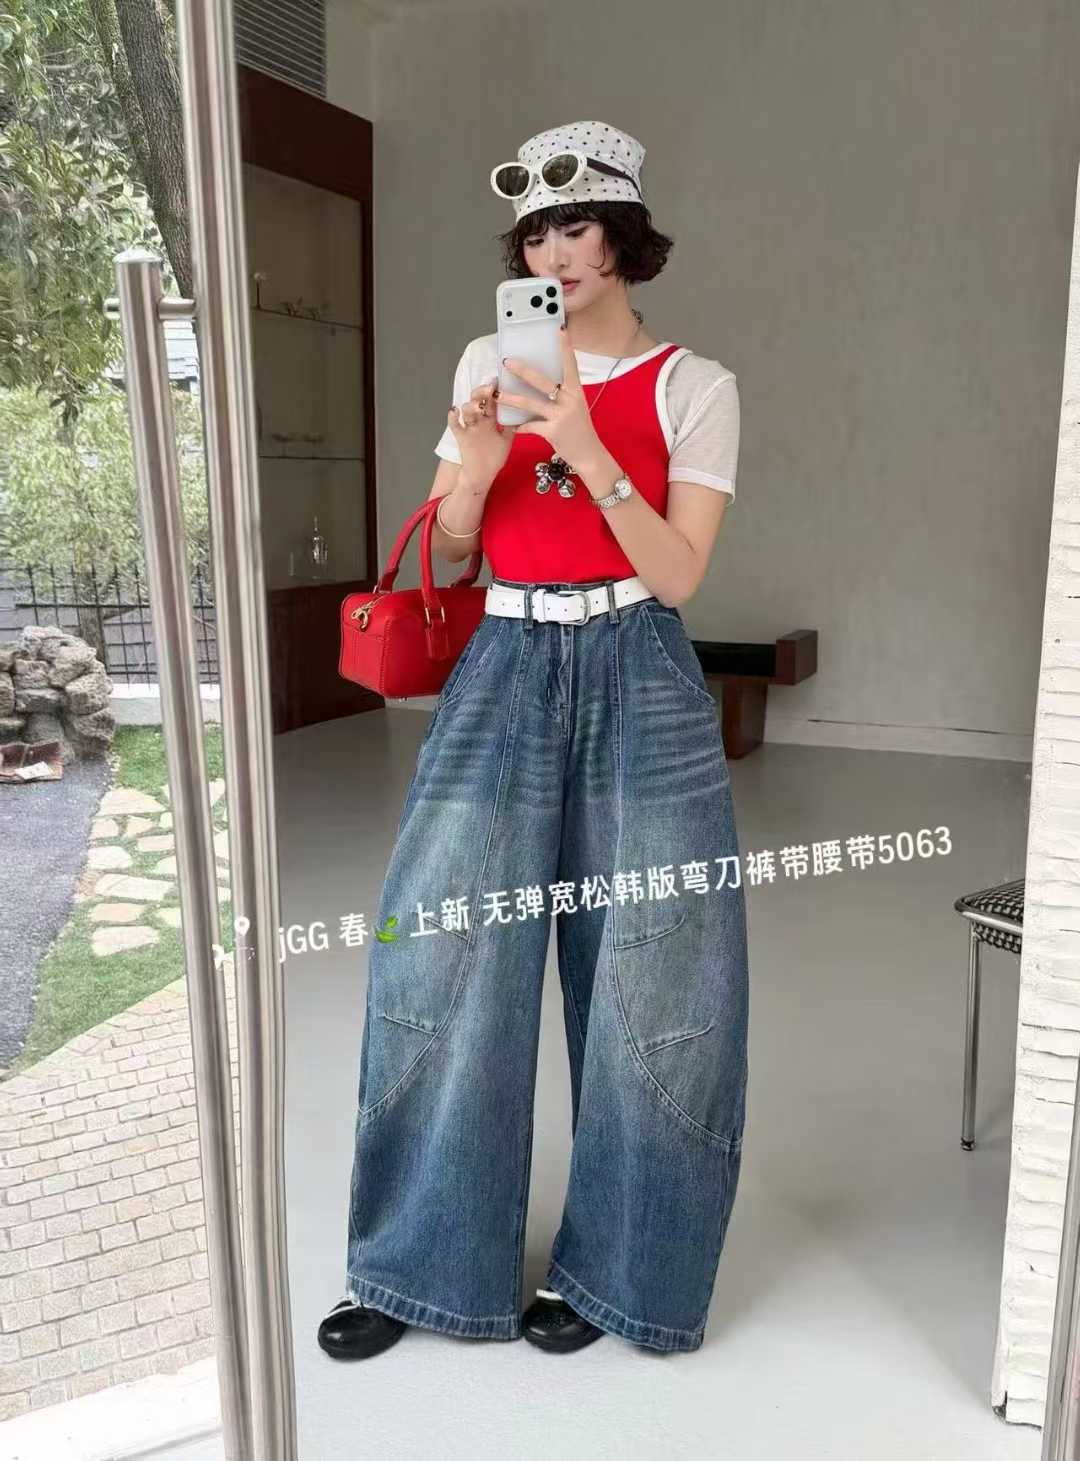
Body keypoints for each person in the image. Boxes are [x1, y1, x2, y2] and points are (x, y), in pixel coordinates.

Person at [318, 119, 749, 1361]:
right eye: (535, 234)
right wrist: (478, 463)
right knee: (439, 952)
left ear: (624, 237)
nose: (552, 253)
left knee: (658, 974)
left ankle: (623, 1277)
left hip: (639, 666)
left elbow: (678, 576)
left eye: (576, 226)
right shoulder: (488, 360)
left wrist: (589, 451)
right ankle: (415, 1267)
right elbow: (454, 548)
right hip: (505, 657)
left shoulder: (695, 386)